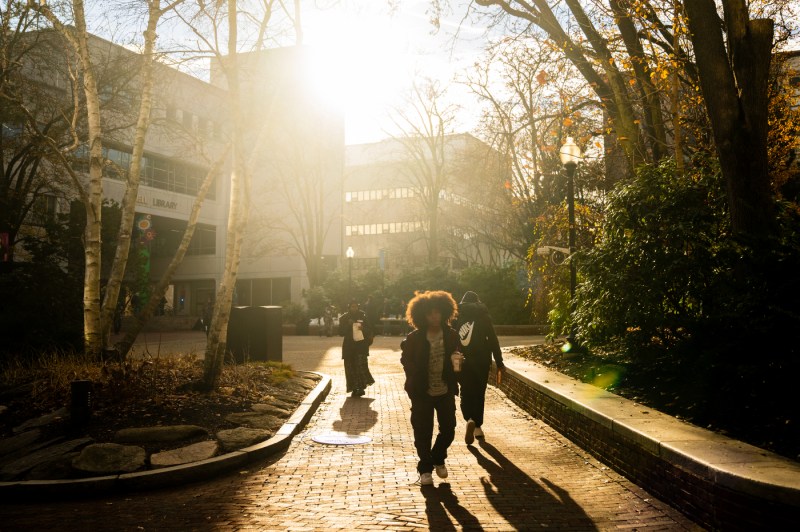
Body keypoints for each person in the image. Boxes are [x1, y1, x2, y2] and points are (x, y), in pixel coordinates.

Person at [400, 290, 461, 486]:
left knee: (449, 429)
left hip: (445, 390)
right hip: (421, 392)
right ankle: (425, 468)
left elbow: (459, 357)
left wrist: (459, 362)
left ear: (444, 312)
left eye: (438, 312)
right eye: (430, 313)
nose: (434, 316)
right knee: (422, 431)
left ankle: (437, 457)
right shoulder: (415, 338)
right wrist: (415, 373)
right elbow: (405, 359)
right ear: (422, 315)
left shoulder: (451, 335)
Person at [453, 291, 504, 445]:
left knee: (465, 392)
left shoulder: (456, 317)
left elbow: (451, 340)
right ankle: (477, 425)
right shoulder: (484, 316)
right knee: (479, 393)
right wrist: (499, 362)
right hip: (482, 362)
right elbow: (493, 341)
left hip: (462, 362)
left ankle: (468, 418)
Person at [339, 301, 375, 397]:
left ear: (358, 307)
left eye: (355, 307)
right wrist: (348, 325)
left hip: (361, 346)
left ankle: (361, 387)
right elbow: (341, 332)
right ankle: (354, 388)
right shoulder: (344, 318)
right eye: (352, 307)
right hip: (349, 346)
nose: (354, 308)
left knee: (361, 366)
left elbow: (370, 330)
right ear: (349, 307)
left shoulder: (363, 316)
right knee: (350, 367)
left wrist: (362, 328)